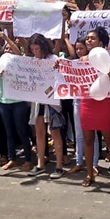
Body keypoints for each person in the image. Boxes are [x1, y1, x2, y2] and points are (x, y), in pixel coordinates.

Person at [79, 27, 110, 188]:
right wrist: (59, 67)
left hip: (104, 103)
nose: (89, 40)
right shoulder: (81, 60)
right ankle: (89, 174)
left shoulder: (107, 59)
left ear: (100, 42)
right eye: (87, 38)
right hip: (86, 103)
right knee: (88, 141)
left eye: (92, 38)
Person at [25, 33, 66, 180]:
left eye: (38, 49)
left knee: (55, 133)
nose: (36, 52)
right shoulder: (32, 61)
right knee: (39, 133)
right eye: (33, 49)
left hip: (52, 102)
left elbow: (60, 80)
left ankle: (59, 165)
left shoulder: (53, 60)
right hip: (37, 102)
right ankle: (40, 163)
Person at [0, 34, 34, 171]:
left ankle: (28, 160)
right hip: (3, 102)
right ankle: (12, 158)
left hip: (18, 102)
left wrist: (7, 39)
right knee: (9, 132)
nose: (8, 50)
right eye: (6, 48)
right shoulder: (0, 61)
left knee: (22, 131)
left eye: (11, 48)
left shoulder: (20, 60)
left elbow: (18, 52)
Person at [66, 38, 100, 175]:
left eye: (82, 48)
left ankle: (94, 164)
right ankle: (79, 162)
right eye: (77, 48)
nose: (79, 51)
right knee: (78, 133)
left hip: (92, 101)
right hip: (77, 101)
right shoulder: (73, 64)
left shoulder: (94, 62)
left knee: (93, 134)